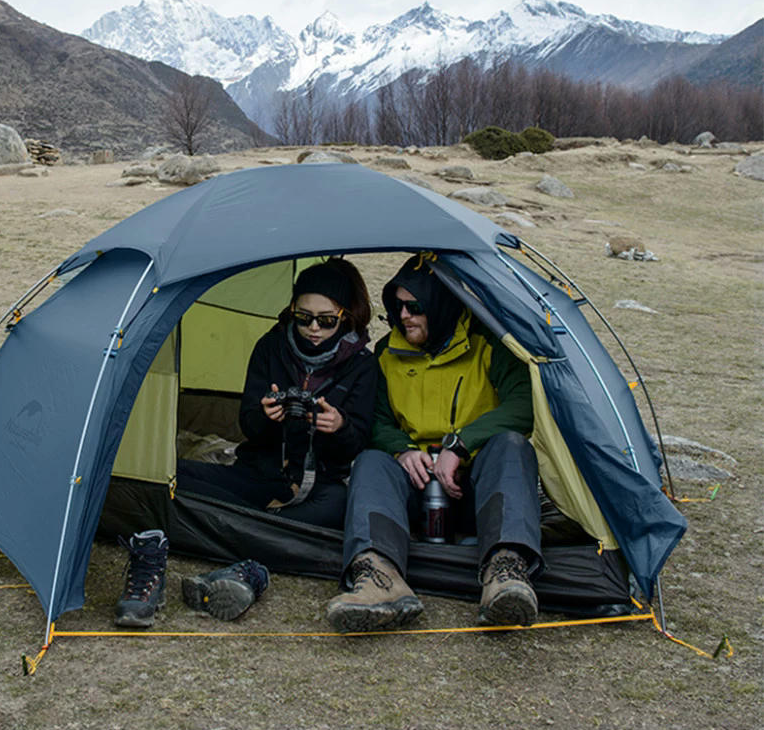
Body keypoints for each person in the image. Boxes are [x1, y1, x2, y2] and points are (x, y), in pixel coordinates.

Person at [326, 253, 542, 632]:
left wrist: (460, 447)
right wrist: (403, 450)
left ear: (442, 305)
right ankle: (379, 578)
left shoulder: (489, 344)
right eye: (398, 306)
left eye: (415, 306)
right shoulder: (387, 354)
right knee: (373, 461)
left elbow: (525, 405)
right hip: (417, 490)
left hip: (477, 489)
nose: (404, 315)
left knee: (511, 445)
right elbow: (376, 421)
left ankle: (505, 571)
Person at [175, 258, 376, 529]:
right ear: (292, 309)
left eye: (326, 320)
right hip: (259, 472)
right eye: (304, 317)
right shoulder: (271, 347)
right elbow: (249, 424)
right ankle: (269, 526)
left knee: (339, 505)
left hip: (320, 484)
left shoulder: (362, 364)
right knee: (174, 476)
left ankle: (241, 522)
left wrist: (340, 426)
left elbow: (359, 442)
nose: (314, 328)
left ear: (344, 315)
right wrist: (266, 415)